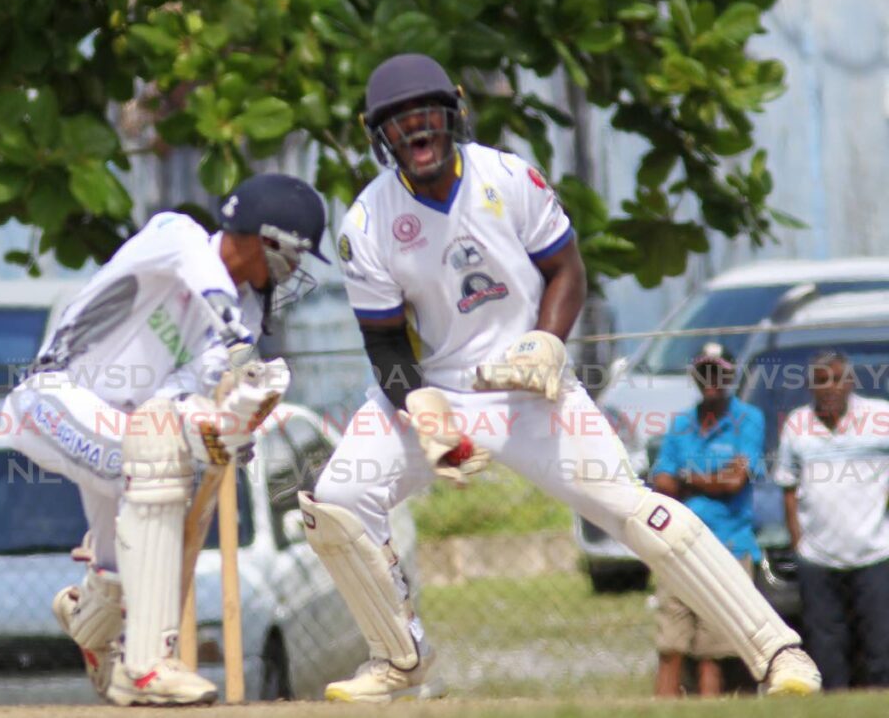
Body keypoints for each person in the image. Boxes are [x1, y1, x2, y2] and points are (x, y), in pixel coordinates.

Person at [298, 52, 821, 703]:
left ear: (453, 112)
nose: (417, 132)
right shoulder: (366, 224)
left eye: (427, 115)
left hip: (530, 389)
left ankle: (779, 653)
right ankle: (400, 655)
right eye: (399, 124)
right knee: (336, 502)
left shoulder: (509, 177)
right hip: (433, 388)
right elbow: (382, 341)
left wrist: (547, 340)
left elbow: (567, 269)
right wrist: (424, 412)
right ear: (380, 137)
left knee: (636, 511)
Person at [0, 174, 329, 706]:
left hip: (128, 429)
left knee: (120, 566)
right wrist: (235, 339)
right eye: (292, 254)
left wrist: (225, 429)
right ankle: (148, 665)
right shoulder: (176, 236)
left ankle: (88, 619)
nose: (294, 271)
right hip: (52, 399)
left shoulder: (242, 314)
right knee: (154, 462)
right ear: (255, 238)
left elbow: (179, 396)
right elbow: (203, 278)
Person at [651, 343, 766, 697]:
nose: (711, 380)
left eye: (718, 372)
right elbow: (661, 483)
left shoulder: (748, 420)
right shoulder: (681, 424)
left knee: (712, 652)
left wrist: (688, 479)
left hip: (728, 546)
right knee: (671, 645)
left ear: (730, 375)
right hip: (679, 546)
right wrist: (709, 479)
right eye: (704, 372)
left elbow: (735, 482)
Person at [773, 350, 889, 690]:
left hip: (875, 554)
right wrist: (799, 543)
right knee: (827, 650)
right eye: (820, 380)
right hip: (818, 558)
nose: (829, 387)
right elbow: (788, 488)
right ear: (810, 386)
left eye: (836, 378)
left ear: (850, 381)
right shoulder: (797, 425)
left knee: (881, 646)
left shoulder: (880, 417)